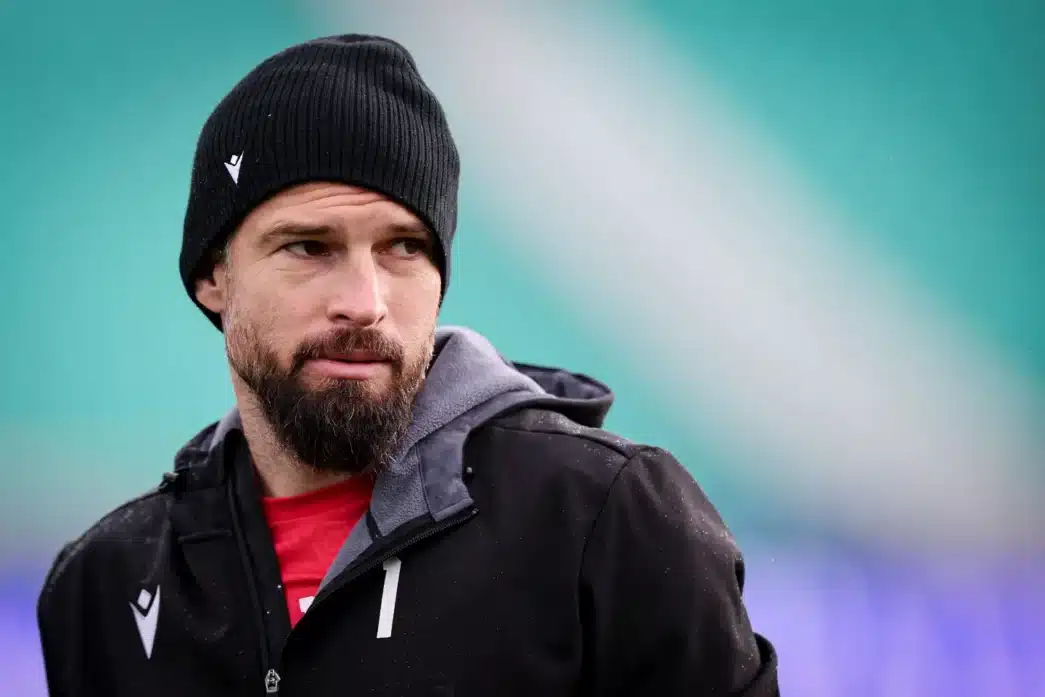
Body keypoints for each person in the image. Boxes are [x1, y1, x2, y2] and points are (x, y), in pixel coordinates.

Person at [36, 34, 779, 696]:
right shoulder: (106, 584)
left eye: (403, 247)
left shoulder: (606, 518)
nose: (364, 304)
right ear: (212, 276)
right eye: (309, 246)